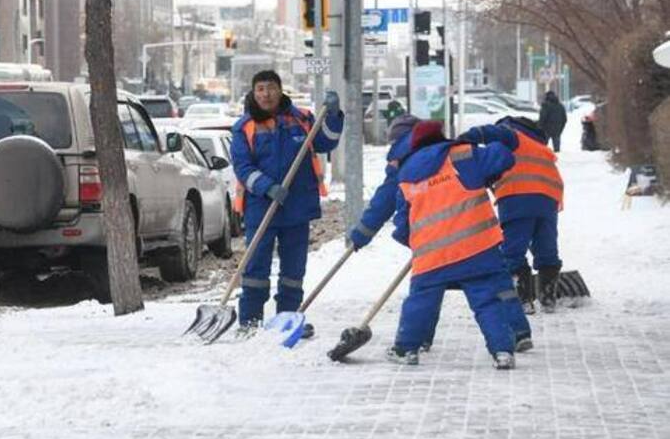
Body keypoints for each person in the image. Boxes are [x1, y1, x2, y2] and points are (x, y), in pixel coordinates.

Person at [350, 116, 533, 356]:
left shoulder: (404, 170)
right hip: (478, 247)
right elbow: (503, 155)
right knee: (489, 298)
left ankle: (408, 348)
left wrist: (369, 236)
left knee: (421, 300)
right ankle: (506, 347)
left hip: (433, 254)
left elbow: (396, 214)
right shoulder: (461, 154)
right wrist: (487, 136)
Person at [230, 70, 343, 334]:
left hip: (297, 207)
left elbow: (326, 142)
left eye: (271, 88)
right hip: (261, 208)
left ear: (280, 90)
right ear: (253, 93)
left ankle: (288, 319)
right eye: (260, 89)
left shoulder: (302, 119)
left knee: (293, 270)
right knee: (256, 267)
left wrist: (333, 115)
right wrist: (266, 187)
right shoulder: (244, 127)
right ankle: (250, 321)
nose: (266, 94)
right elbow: (243, 167)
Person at [458, 116, 563, 313]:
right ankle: (548, 297)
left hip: (519, 197)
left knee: (513, 249)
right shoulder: (539, 145)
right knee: (546, 247)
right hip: (549, 199)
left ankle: (522, 299)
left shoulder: (512, 134)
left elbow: (491, 133)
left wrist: (466, 138)